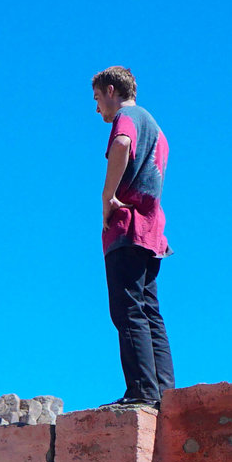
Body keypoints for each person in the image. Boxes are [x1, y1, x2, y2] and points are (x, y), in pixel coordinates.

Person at [93, 65, 174, 407]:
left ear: (112, 91)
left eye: (98, 98)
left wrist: (107, 196)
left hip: (127, 227)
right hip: (152, 231)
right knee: (149, 310)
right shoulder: (157, 128)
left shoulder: (128, 118)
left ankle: (141, 390)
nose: (97, 108)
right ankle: (164, 393)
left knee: (127, 309)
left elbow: (123, 144)